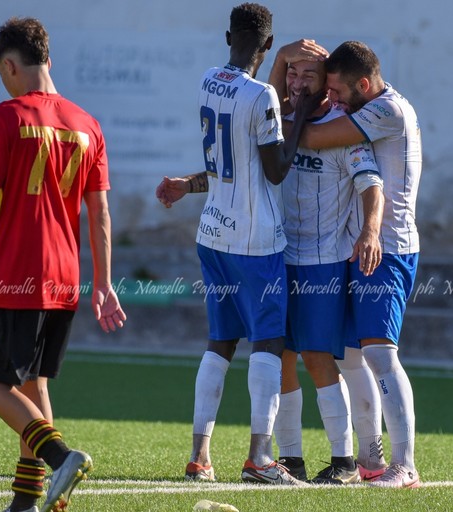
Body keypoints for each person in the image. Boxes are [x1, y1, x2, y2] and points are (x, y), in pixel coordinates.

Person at [0, 17, 127, 512]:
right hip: (64, 277)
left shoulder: (6, 116)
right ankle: (26, 501)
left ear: (10, 65)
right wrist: (103, 283)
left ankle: (61, 456)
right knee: (33, 385)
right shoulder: (88, 124)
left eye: (2, 73)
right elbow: (101, 213)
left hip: (15, 276)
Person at [155, 3, 319, 486]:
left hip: (213, 233)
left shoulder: (208, 80)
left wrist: (188, 184)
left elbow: (233, 162)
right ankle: (260, 459)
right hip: (255, 239)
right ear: (267, 46)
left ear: (229, 36)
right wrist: (303, 113)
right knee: (267, 342)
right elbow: (274, 169)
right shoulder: (262, 95)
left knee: (219, 343)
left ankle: (199, 458)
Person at [270, 39, 423, 489]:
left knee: (379, 353)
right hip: (361, 247)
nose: (331, 98)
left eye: (336, 91)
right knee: (354, 357)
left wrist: (278, 108)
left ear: (363, 83)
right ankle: (370, 459)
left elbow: (312, 137)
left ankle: (405, 464)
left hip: (388, 246)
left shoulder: (387, 110)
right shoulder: (362, 105)